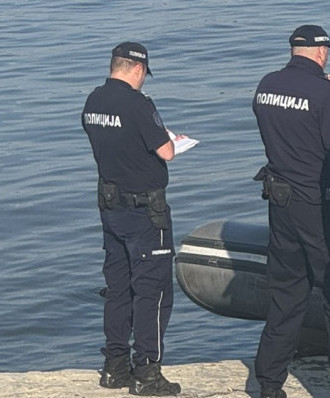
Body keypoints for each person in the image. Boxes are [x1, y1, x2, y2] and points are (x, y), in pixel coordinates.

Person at [251, 24, 330, 398]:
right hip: (315, 203)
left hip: (279, 201)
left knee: (285, 294)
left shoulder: (266, 84)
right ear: (320, 52)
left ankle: (269, 383)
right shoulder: (327, 93)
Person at [82, 42, 183, 396]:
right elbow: (166, 152)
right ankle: (147, 373)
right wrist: (170, 140)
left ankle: (114, 367)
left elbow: (112, 142)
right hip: (145, 214)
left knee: (118, 288)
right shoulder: (139, 104)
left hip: (111, 209)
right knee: (153, 294)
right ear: (138, 69)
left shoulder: (93, 100)